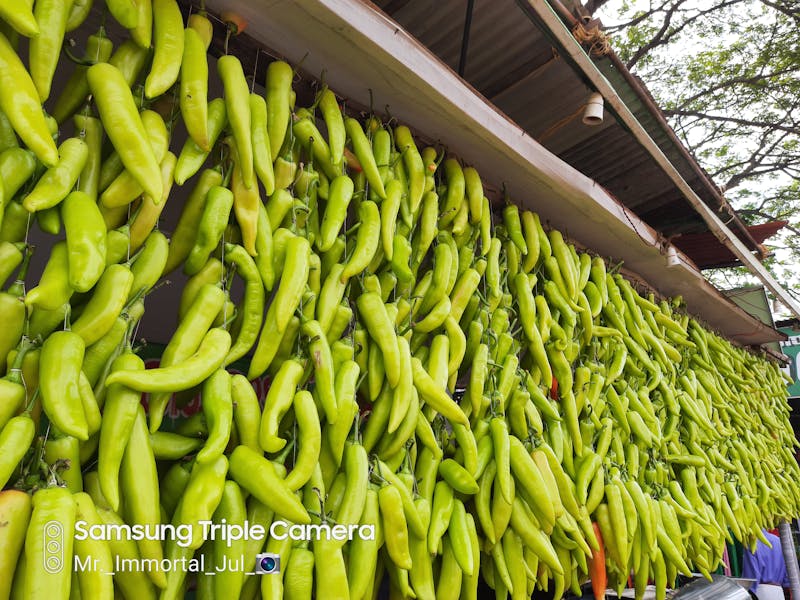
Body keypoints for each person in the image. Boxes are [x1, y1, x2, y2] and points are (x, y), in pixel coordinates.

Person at [742, 530, 790, 600]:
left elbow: (751, 580)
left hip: (760, 594)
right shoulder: (778, 541)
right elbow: (787, 579)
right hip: (779, 593)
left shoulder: (751, 543)